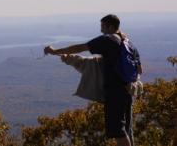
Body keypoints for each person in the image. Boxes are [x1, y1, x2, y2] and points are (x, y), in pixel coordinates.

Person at [44, 14, 142, 146]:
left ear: (110, 26)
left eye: (103, 27)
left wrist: (54, 51)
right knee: (126, 128)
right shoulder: (128, 43)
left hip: (115, 92)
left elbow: (79, 48)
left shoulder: (107, 40)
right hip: (128, 91)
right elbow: (139, 69)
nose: (101, 31)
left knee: (117, 130)